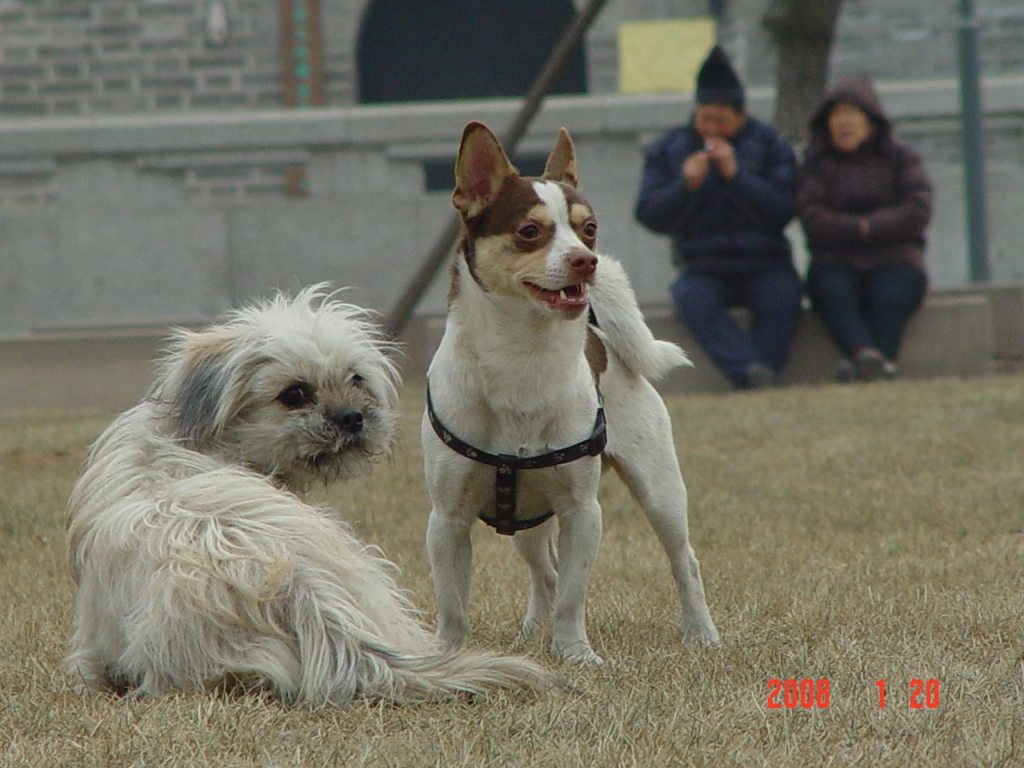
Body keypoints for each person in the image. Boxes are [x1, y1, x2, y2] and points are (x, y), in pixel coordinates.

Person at [634, 45, 801, 390]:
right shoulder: (670, 148)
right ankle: (748, 372)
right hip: (702, 265)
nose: (709, 129)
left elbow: (782, 211)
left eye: (719, 121)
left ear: (740, 115)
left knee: (782, 297)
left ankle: (764, 372)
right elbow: (649, 214)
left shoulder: (771, 145)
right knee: (692, 299)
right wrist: (686, 186)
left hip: (765, 262)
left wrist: (736, 176)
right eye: (702, 119)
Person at [797, 75, 933, 382]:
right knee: (832, 291)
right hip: (834, 260)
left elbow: (916, 210)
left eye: (852, 113)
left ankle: (868, 363)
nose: (843, 122)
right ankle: (871, 360)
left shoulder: (901, 157)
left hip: (897, 256)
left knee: (892, 293)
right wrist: (859, 229)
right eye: (836, 114)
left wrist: (869, 227)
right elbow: (813, 219)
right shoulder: (815, 163)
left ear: (871, 121)